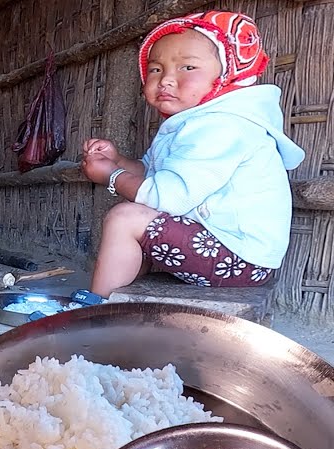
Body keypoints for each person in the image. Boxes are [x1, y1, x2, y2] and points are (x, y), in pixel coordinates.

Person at [81, 11, 304, 297]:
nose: (166, 80)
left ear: (226, 75)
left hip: (241, 259)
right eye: (155, 69)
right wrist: (117, 161)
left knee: (125, 218)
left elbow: (169, 197)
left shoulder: (223, 126)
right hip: (220, 247)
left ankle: (97, 313)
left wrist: (112, 176)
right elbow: (153, 175)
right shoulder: (195, 122)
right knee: (140, 215)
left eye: (187, 68)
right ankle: (121, 301)